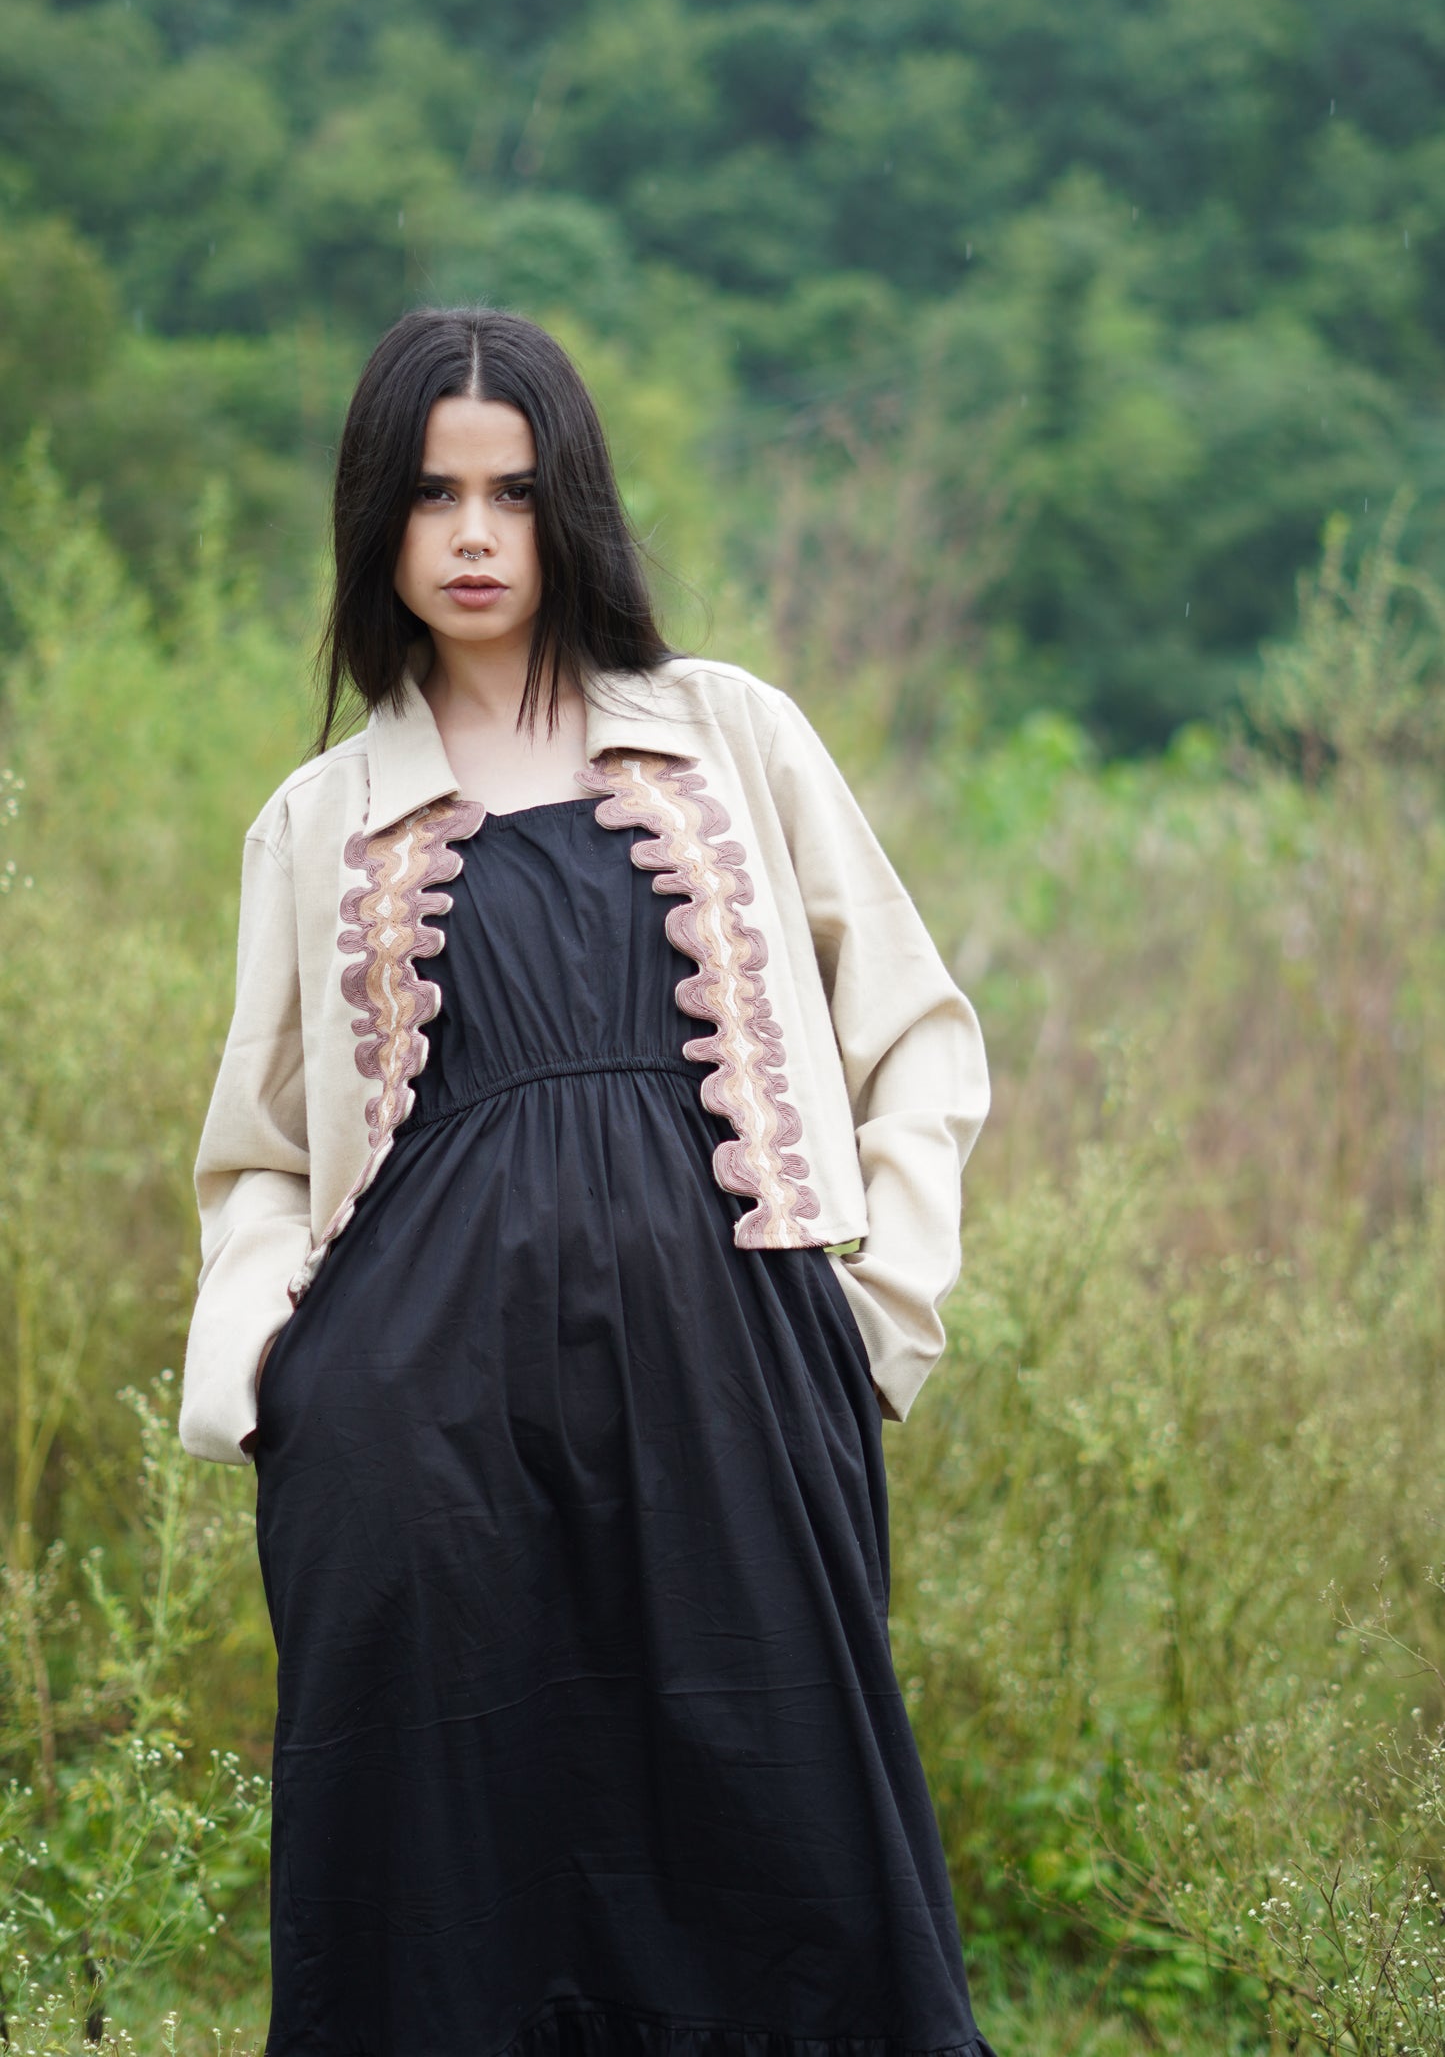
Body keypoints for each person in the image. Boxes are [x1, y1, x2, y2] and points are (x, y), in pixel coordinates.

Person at [179, 307, 995, 2057]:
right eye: (431, 496)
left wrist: (869, 1324)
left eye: (515, 494)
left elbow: (915, 1033)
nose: (473, 537)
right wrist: (273, 1384)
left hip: (738, 1397)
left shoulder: (729, 734)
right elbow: (255, 1158)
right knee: (447, 1894)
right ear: (372, 523)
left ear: (576, 512)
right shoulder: (318, 819)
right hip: (423, 1456)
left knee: (789, 1864)